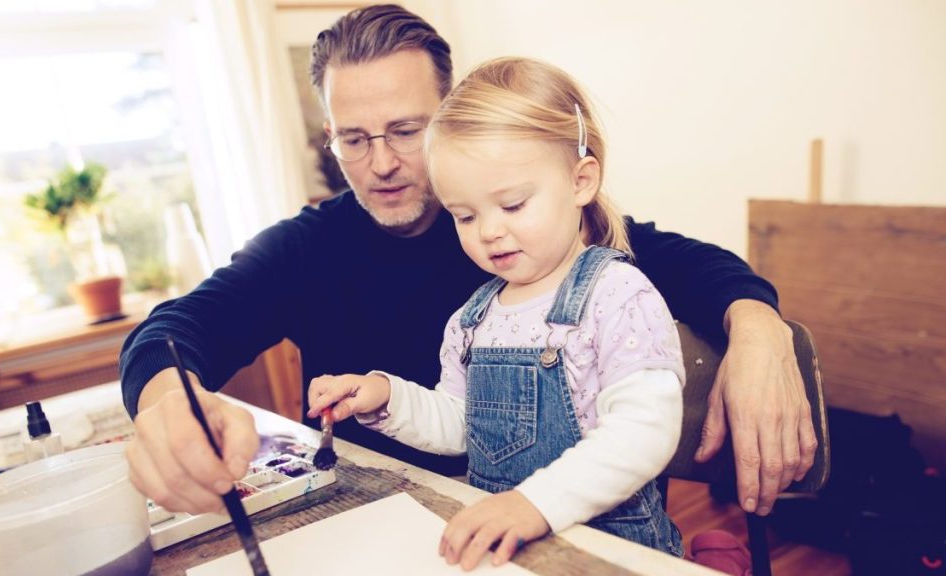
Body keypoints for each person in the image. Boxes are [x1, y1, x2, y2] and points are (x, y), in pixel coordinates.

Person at [120, 4, 815, 519]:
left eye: (405, 130)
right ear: (328, 136)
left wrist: (759, 327)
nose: (382, 163)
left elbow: (695, 267)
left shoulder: (555, 238)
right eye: (354, 140)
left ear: (450, 117)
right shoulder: (303, 249)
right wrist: (168, 404)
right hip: (396, 525)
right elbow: (175, 329)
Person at [307, 56, 687, 568]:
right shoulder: (473, 319)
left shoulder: (618, 294)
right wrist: (386, 398)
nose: (487, 231)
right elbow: (462, 426)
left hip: (609, 553)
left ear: (581, 181)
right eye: (465, 215)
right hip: (508, 551)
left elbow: (645, 432)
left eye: (511, 206)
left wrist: (535, 504)